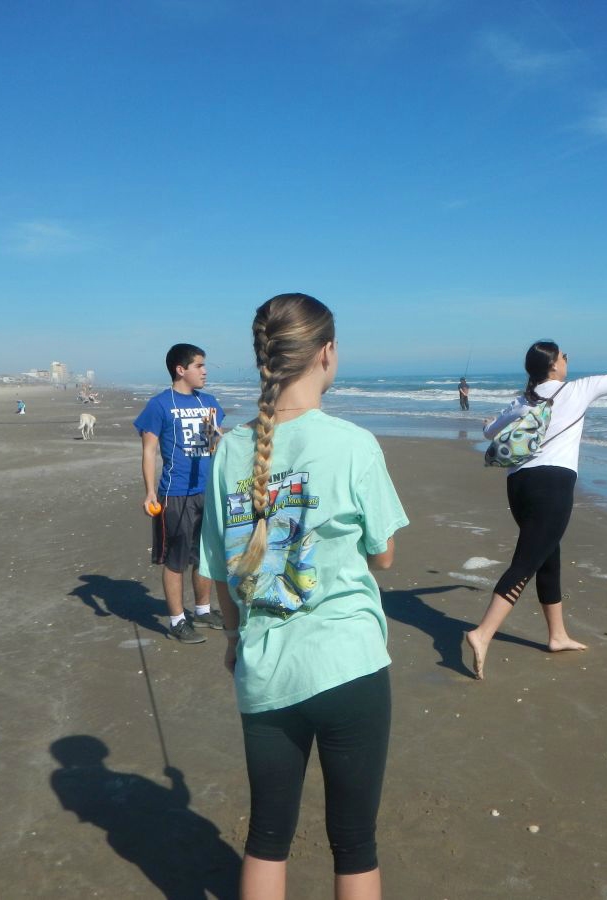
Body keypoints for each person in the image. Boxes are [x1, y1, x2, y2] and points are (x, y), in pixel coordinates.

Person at [201, 293, 408, 900]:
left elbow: (221, 572)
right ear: (327, 354)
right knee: (354, 843)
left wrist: (235, 640)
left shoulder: (230, 452)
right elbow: (384, 554)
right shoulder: (353, 444)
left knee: (267, 835)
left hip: (264, 668)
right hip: (350, 665)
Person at [464, 340, 607, 680]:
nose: (567, 360)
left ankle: (557, 636)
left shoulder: (523, 400)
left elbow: (489, 431)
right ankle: (482, 633)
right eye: (563, 356)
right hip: (552, 486)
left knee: (547, 557)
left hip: (519, 485)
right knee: (527, 561)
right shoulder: (578, 390)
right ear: (553, 366)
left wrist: (489, 422)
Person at [135, 343, 227, 644]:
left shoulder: (209, 402)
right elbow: (149, 451)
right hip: (174, 494)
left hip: (207, 491)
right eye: (199, 365)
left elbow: (217, 444)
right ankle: (176, 620)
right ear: (180, 369)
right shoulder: (159, 405)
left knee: (206, 555)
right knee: (176, 559)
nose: (204, 371)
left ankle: (202, 611)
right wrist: (150, 492)